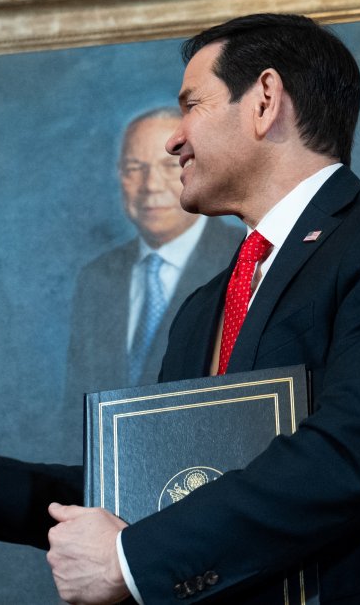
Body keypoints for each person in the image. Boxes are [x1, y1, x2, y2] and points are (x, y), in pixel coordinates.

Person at [0, 13, 360, 604]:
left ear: (265, 100)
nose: (174, 138)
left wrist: (131, 559)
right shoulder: (203, 308)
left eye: (192, 104)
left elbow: (354, 453)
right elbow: (151, 487)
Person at [62, 107, 243, 457]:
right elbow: (75, 412)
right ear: (119, 176)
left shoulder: (239, 258)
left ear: (191, 166)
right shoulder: (97, 276)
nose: (150, 185)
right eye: (135, 169)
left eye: (165, 165)